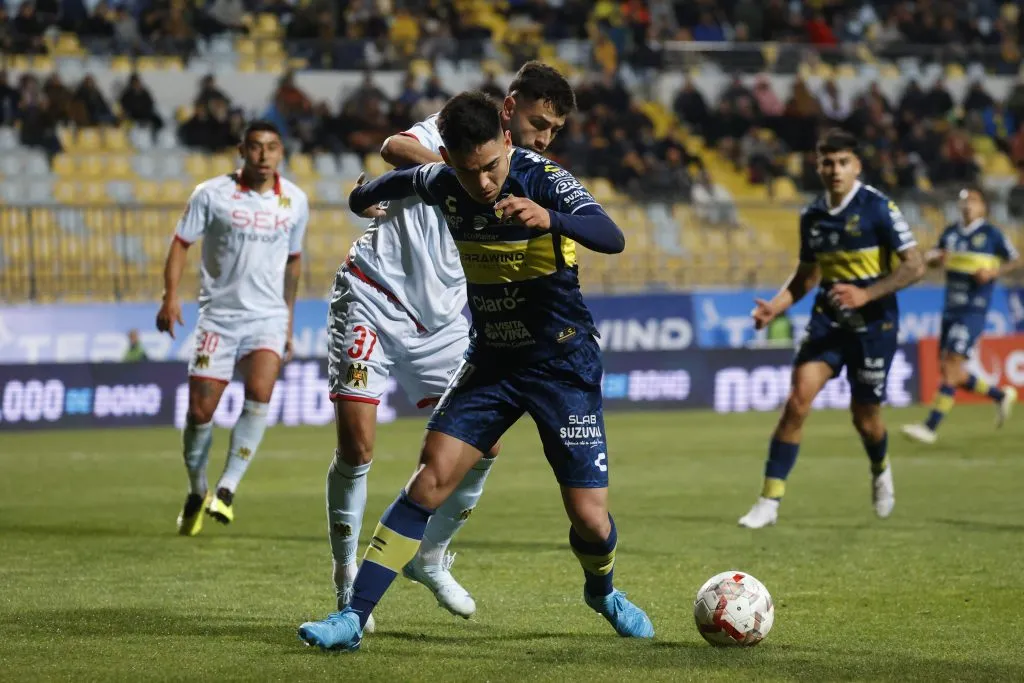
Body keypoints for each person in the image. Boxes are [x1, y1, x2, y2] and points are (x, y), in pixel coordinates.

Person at [297, 91, 654, 652]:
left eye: (491, 167)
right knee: (430, 477)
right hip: (491, 362)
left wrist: (551, 218)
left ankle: (603, 591)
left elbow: (612, 236)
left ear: (507, 142)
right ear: (451, 162)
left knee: (589, 517)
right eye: (470, 172)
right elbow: (385, 185)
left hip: (562, 363)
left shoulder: (544, 180)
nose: (484, 184)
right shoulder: (444, 181)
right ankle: (351, 616)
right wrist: (361, 195)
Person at [323, 62, 576, 631]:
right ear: (509, 109)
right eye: (539, 122)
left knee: (482, 450)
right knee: (359, 446)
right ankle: (345, 584)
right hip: (374, 294)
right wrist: (453, 174)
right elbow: (393, 146)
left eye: (554, 130)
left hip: (441, 321)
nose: (545, 138)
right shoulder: (458, 133)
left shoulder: (527, 171)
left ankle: (430, 556)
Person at [737, 128, 925, 529]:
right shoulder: (813, 216)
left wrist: (867, 293)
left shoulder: (878, 208)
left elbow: (914, 265)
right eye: (827, 161)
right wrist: (777, 306)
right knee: (796, 403)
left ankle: (880, 470)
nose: (835, 170)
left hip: (875, 325)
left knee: (865, 418)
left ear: (856, 165)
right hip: (828, 323)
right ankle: (769, 501)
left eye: (843, 162)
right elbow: (807, 277)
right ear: (817, 165)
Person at [156, 121, 308, 537]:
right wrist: (170, 297)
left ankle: (228, 487)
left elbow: (294, 261)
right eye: (256, 147)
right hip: (218, 318)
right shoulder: (211, 194)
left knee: (260, 393)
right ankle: (197, 489)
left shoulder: (295, 201)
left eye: (272, 148)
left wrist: (288, 319)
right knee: (200, 412)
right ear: (242, 149)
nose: (263, 155)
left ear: (281, 152)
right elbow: (180, 243)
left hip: (268, 318)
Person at [902, 187, 1020, 444]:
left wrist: (994, 272)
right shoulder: (951, 232)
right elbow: (932, 257)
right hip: (950, 309)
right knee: (950, 371)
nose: (967, 206)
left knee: (952, 365)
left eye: (973, 201)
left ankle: (930, 427)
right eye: (964, 201)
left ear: (983, 207)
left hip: (973, 309)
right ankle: (1000, 396)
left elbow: (1015, 260)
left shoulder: (992, 234)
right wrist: (935, 258)